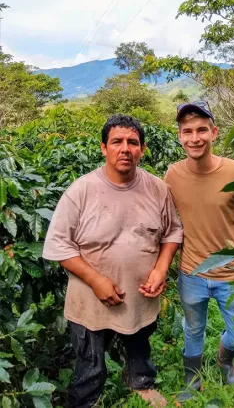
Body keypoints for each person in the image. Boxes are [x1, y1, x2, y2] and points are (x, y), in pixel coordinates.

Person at [43, 114, 183, 408]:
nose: (125, 148)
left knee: (140, 341)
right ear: (103, 148)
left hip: (141, 293)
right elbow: (58, 244)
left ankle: (141, 382)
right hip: (90, 298)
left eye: (132, 142)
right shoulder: (81, 191)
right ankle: (85, 400)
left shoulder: (157, 188)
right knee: (90, 359)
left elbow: (172, 231)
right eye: (116, 142)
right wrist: (95, 280)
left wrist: (160, 269)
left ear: (142, 149)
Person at [164, 101, 234, 401]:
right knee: (193, 329)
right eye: (187, 131)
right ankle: (192, 377)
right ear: (179, 136)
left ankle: (225, 359)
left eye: (201, 130)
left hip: (232, 274)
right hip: (191, 272)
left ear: (214, 132)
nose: (195, 138)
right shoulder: (173, 175)